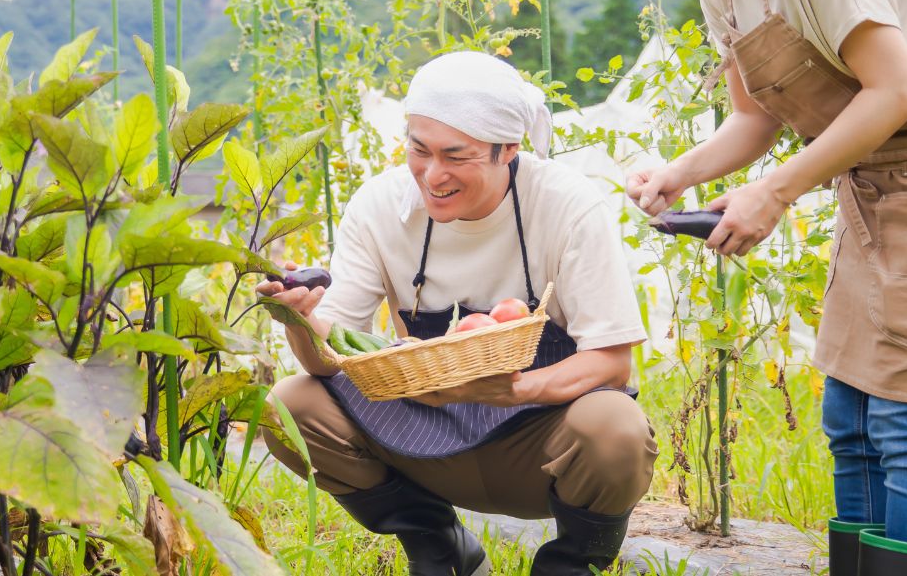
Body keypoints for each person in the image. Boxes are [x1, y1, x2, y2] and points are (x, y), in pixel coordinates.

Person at [606, 0, 907, 573]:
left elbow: (897, 90)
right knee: (850, 416)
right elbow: (755, 120)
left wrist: (773, 193)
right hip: (875, 178)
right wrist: (678, 173)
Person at [256, 51, 658, 575]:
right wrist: (301, 322)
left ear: (507, 149)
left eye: (455, 155)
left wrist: (517, 389)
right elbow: (329, 360)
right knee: (290, 405)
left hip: (533, 443)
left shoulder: (566, 205)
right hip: (421, 434)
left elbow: (610, 362)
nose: (432, 174)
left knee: (615, 427)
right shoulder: (379, 207)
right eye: (418, 150)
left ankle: (569, 564)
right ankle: (439, 547)